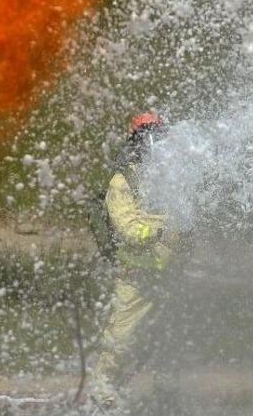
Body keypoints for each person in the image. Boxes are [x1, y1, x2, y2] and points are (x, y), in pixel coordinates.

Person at [89, 112, 172, 408]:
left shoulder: (171, 177)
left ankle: (158, 394)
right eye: (150, 136)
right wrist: (159, 232)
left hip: (170, 273)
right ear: (137, 140)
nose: (156, 143)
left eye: (160, 135)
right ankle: (101, 392)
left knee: (165, 338)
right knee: (122, 338)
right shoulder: (122, 180)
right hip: (137, 275)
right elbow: (126, 227)